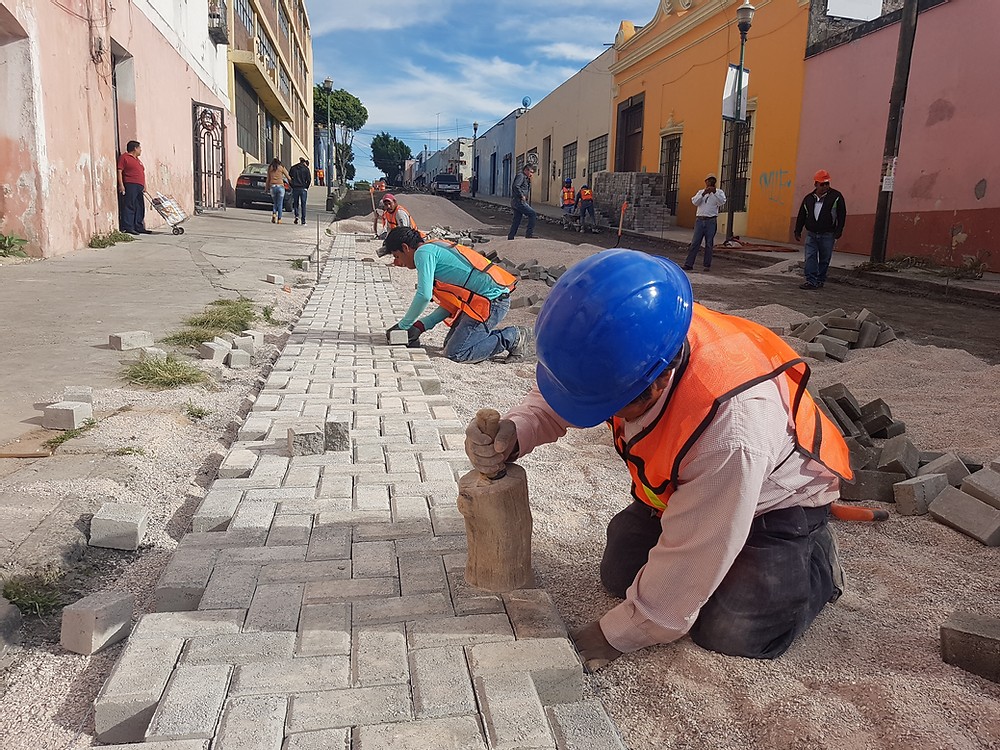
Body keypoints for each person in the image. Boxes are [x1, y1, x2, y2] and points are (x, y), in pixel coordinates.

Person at [464, 249, 852, 671]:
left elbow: (697, 549)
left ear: (659, 377)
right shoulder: (636, 332)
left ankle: (817, 566)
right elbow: (574, 388)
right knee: (620, 573)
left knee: (731, 631)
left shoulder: (731, 426)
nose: (602, 412)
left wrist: (616, 635)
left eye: (611, 403)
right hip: (685, 488)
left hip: (775, 502)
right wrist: (517, 431)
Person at [378, 226, 531, 363]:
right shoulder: (432, 248)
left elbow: (424, 295)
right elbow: (451, 305)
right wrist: (420, 326)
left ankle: (514, 337)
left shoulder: (422, 253)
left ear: (405, 248)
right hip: (480, 302)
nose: (398, 262)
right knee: (450, 346)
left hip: (491, 302)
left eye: (397, 256)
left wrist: (403, 326)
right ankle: (489, 337)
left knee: (456, 353)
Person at [795, 170, 847, 290]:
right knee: (810, 257)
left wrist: (839, 230)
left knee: (824, 258)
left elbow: (841, 214)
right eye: (822, 184)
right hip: (811, 234)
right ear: (816, 184)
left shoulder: (836, 197)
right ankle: (811, 281)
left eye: (827, 184)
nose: (825, 187)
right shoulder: (808, 199)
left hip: (828, 234)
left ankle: (820, 280)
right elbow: (802, 215)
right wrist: (797, 230)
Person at [684, 174, 726, 271]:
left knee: (709, 243)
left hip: (710, 221)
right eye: (708, 180)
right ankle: (689, 264)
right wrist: (703, 194)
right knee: (695, 243)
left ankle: (707, 265)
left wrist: (714, 193)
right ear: (705, 182)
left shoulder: (719, 192)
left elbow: (722, 202)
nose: (710, 182)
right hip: (700, 220)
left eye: (712, 181)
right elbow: (695, 202)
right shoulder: (700, 192)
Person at [117, 140, 149, 235]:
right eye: (139, 148)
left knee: (140, 206)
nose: (141, 150)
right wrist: (121, 185)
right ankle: (128, 226)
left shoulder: (138, 160)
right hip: (130, 184)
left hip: (139, 185)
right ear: (135, 148)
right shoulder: (124, 157)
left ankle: (138, 226)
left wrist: (144, 185)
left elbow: (142, 173)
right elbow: (120, 171)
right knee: (130, 205)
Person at [507, 164, 537, 240]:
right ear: (526, 170)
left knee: (517, 219)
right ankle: (529, 234)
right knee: (532, 214)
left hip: (516, 201)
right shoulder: (521, 176)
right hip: (519, 201)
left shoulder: (525, 178)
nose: (531, 174)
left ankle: (511, 236)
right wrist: (521, 195)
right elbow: (516, 186)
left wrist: (529, 181)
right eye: (531, 172)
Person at [266, 158, 290, 224]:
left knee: (275, 203)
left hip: (273, 187)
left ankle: (274, 214)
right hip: (280, 187)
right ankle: (279, 219)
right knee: (280, 203)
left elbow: (268, 179)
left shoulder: (270, 168)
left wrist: (266, 188)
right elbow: (288, 176)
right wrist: (291, 182)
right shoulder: (281, 167)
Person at [289, 157, 312, 225]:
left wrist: (292, 185)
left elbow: (289, 177)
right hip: (303, 188)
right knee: (303, 204)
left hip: (295, 188)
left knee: (295, 203)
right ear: (304, 163)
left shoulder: (293, 168)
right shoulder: (306, 169)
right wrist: (306, 187)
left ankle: (296, 216)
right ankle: (303, 220)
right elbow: (309, 179)